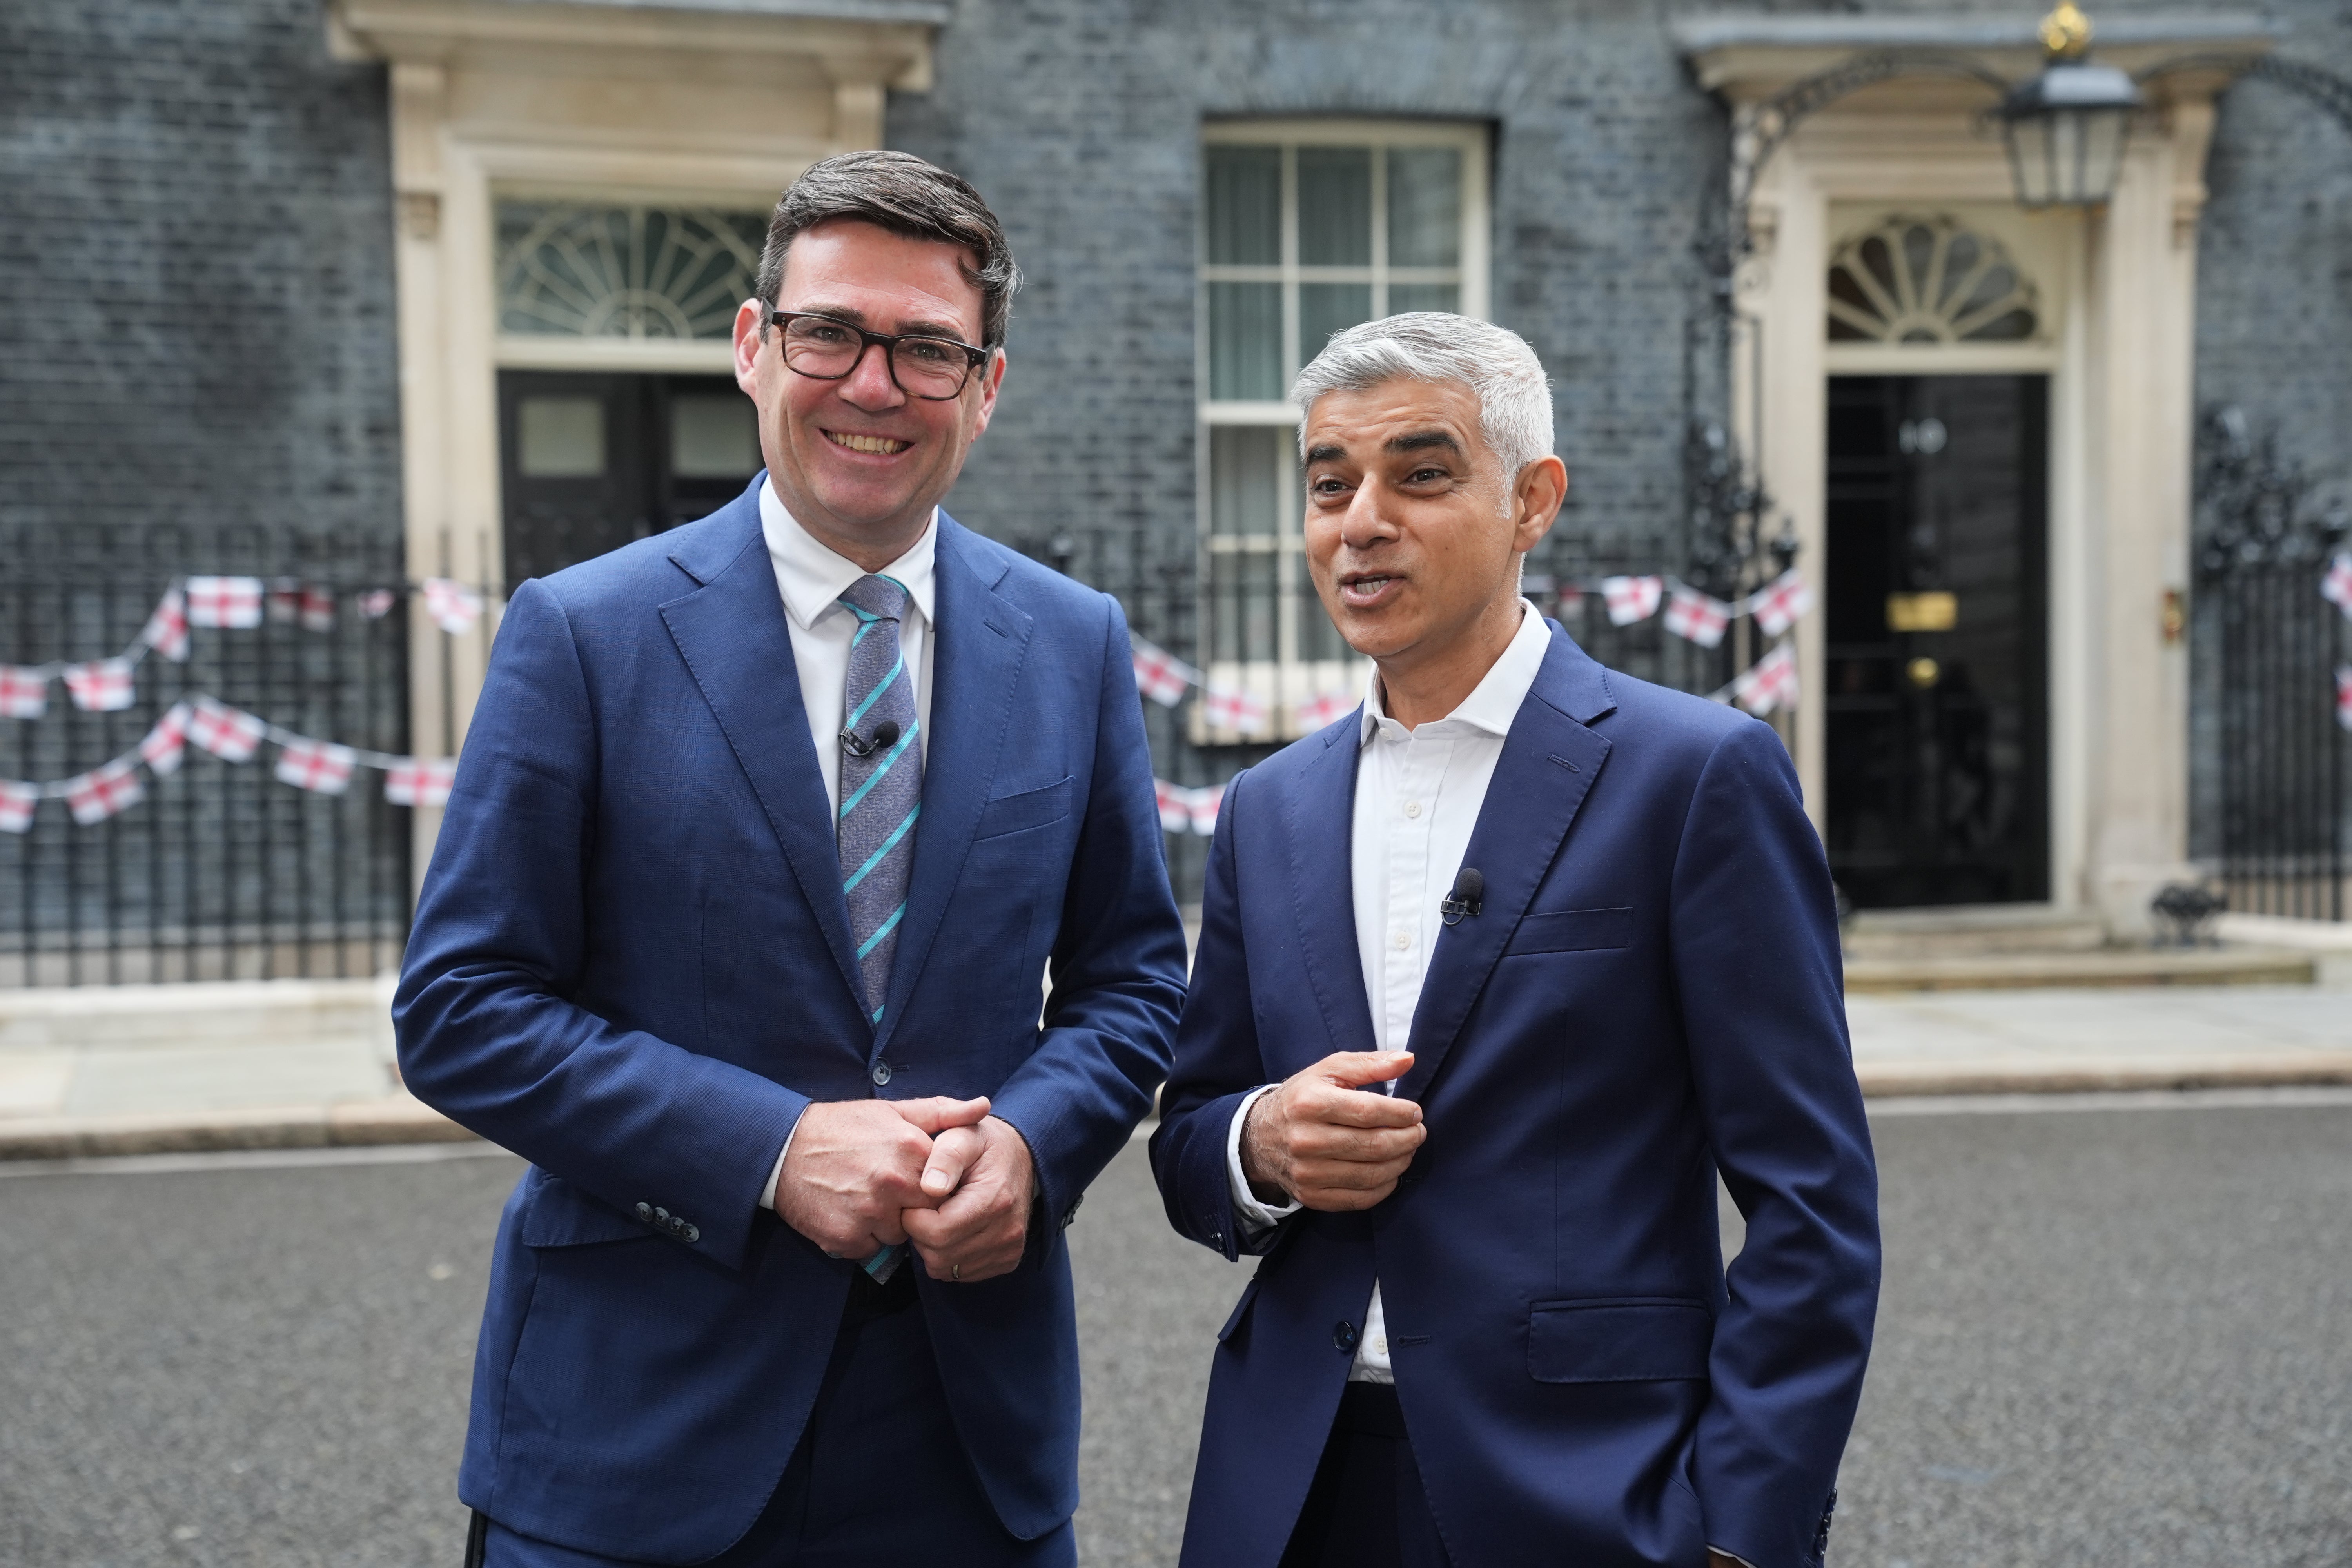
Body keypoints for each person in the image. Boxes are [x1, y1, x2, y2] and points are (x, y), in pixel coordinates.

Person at [396, 150, 1187, 1568]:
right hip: (637, 1430)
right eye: (830, 333)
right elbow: (462, 1010)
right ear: (754, 347)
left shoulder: (1072, 642)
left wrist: (1030, 1143)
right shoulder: (583, 632)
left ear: (987, 388)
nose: (873, 386)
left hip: (966, 1429)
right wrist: (771, 1150)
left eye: (928, 350)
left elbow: (1131, 982)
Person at [1150, 313, 1880, 1568]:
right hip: (1295, 1483)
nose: (1361, 521)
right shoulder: (1267, 806)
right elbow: (1190, 1133)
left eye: (1420, 475)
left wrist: (1743, 1529)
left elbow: (1813, 1198)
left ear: (1532, 500)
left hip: (1593, 1488)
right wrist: (1261, 1142)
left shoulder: (1696, 774)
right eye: (1330, 484)